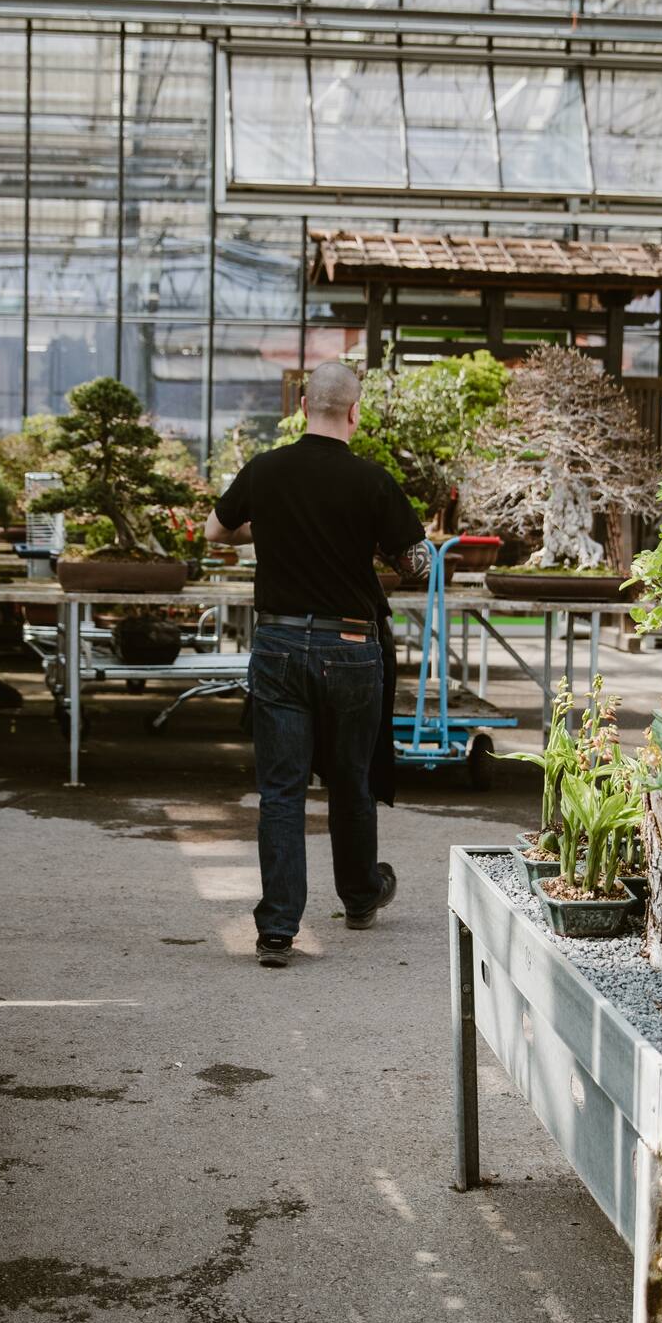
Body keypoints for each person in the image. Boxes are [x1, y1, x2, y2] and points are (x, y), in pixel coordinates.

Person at [208, 362, 427, 967]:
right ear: (354, 412)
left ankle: (277, 929)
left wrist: (270, 529)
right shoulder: (373, 481)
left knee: (281, 790)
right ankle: (359, 898)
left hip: (278, 645)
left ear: (303, 405)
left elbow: (214, 532)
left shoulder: (266, 468)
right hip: (352, 648)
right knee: (350, 779)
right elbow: (418, 564)